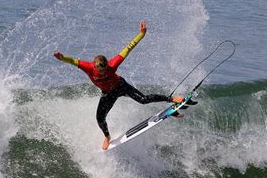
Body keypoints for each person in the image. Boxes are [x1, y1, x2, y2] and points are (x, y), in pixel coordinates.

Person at [54, 20, 184, 150]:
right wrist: (62, 58)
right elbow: (72, 60)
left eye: (105, 69)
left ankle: (171, 99)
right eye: (101, 71)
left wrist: (142, 34)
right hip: (108, 93)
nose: (104, 72)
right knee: (100, 118)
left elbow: (128, 48)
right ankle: (107, 137)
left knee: (143, 100)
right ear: (95, 66)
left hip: (121, 86)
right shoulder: (87, 67)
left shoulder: (113, 64)